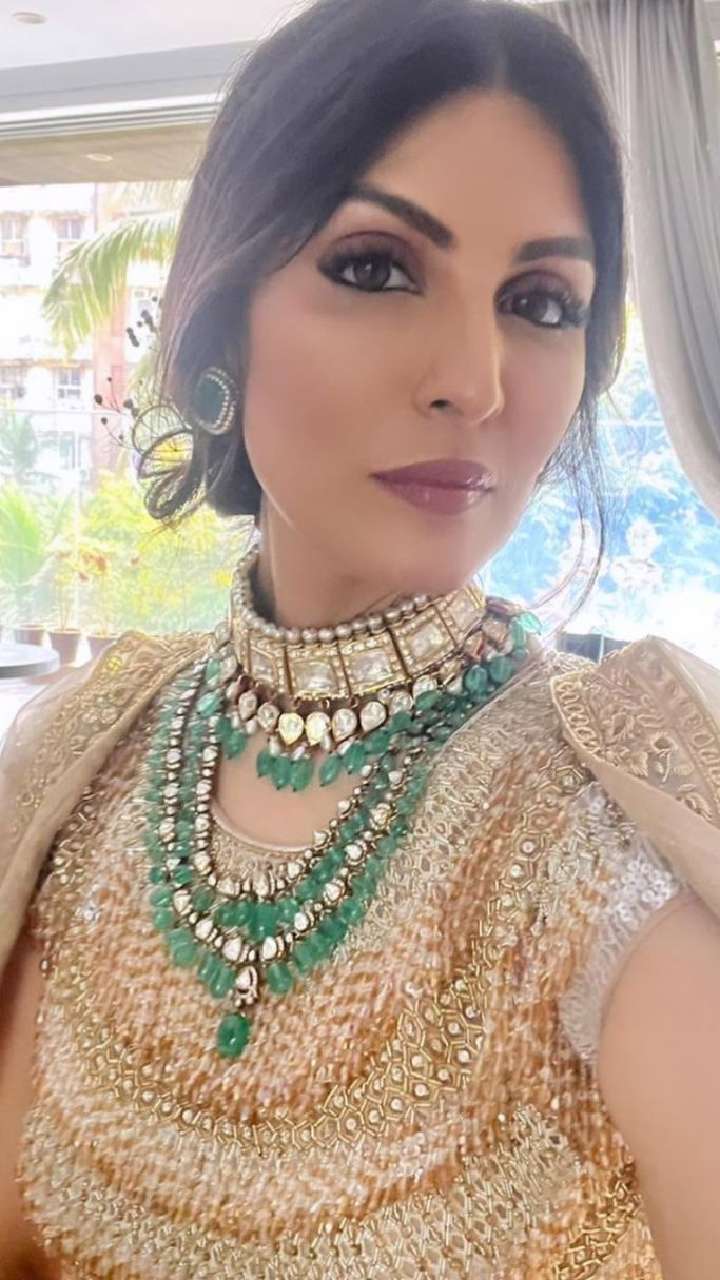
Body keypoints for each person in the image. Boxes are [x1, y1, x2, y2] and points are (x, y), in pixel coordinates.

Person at [1, 0, 719, 1275]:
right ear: (219, 318)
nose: (476, 380)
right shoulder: (77, 758)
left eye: (540, 300)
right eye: (378, 267)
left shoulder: (614, 827)